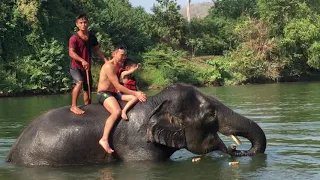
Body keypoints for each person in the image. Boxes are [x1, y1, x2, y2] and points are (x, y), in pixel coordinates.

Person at [96, 47, 147, 154]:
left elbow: (119, 85)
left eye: (125, 55)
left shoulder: (119, 66)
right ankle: (104, 139)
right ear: (114, 54)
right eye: (121, 55)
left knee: (134, 98)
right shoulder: (109, 66)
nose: (124, 57)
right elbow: (117, 85)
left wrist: (136, 94)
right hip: (104, 94)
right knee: (116, 111)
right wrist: (135, 92)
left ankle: (125, 110)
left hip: (114, 93)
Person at [69, 13, 108, 115]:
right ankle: (73, 106)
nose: (83, 25)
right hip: (76, 66)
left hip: (87, 67)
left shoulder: (92, 37)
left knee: (88, 88)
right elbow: (71, 52)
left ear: (88, 23)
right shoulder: (74, 38)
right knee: (80, 82)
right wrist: (82, 60)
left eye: (85, 22)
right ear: (77, 24)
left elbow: (96, 49)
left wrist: (104, 59)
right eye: (81, 23)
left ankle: (88, 106)